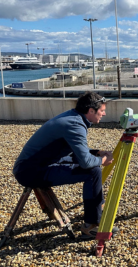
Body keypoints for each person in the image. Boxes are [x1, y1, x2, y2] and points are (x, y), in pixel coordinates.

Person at [13, 91, 117, 239]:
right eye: (102, 111)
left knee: (92, 168)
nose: (104, 114)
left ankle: (96, 211)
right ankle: (91, 225)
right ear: (91, 111)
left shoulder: (72, 117)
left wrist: (97, 152)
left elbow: (75, 151)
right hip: (31, 172)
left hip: (35, 164)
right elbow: (86, 162)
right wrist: (102, 161)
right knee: (93, 172)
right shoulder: (75, 125)